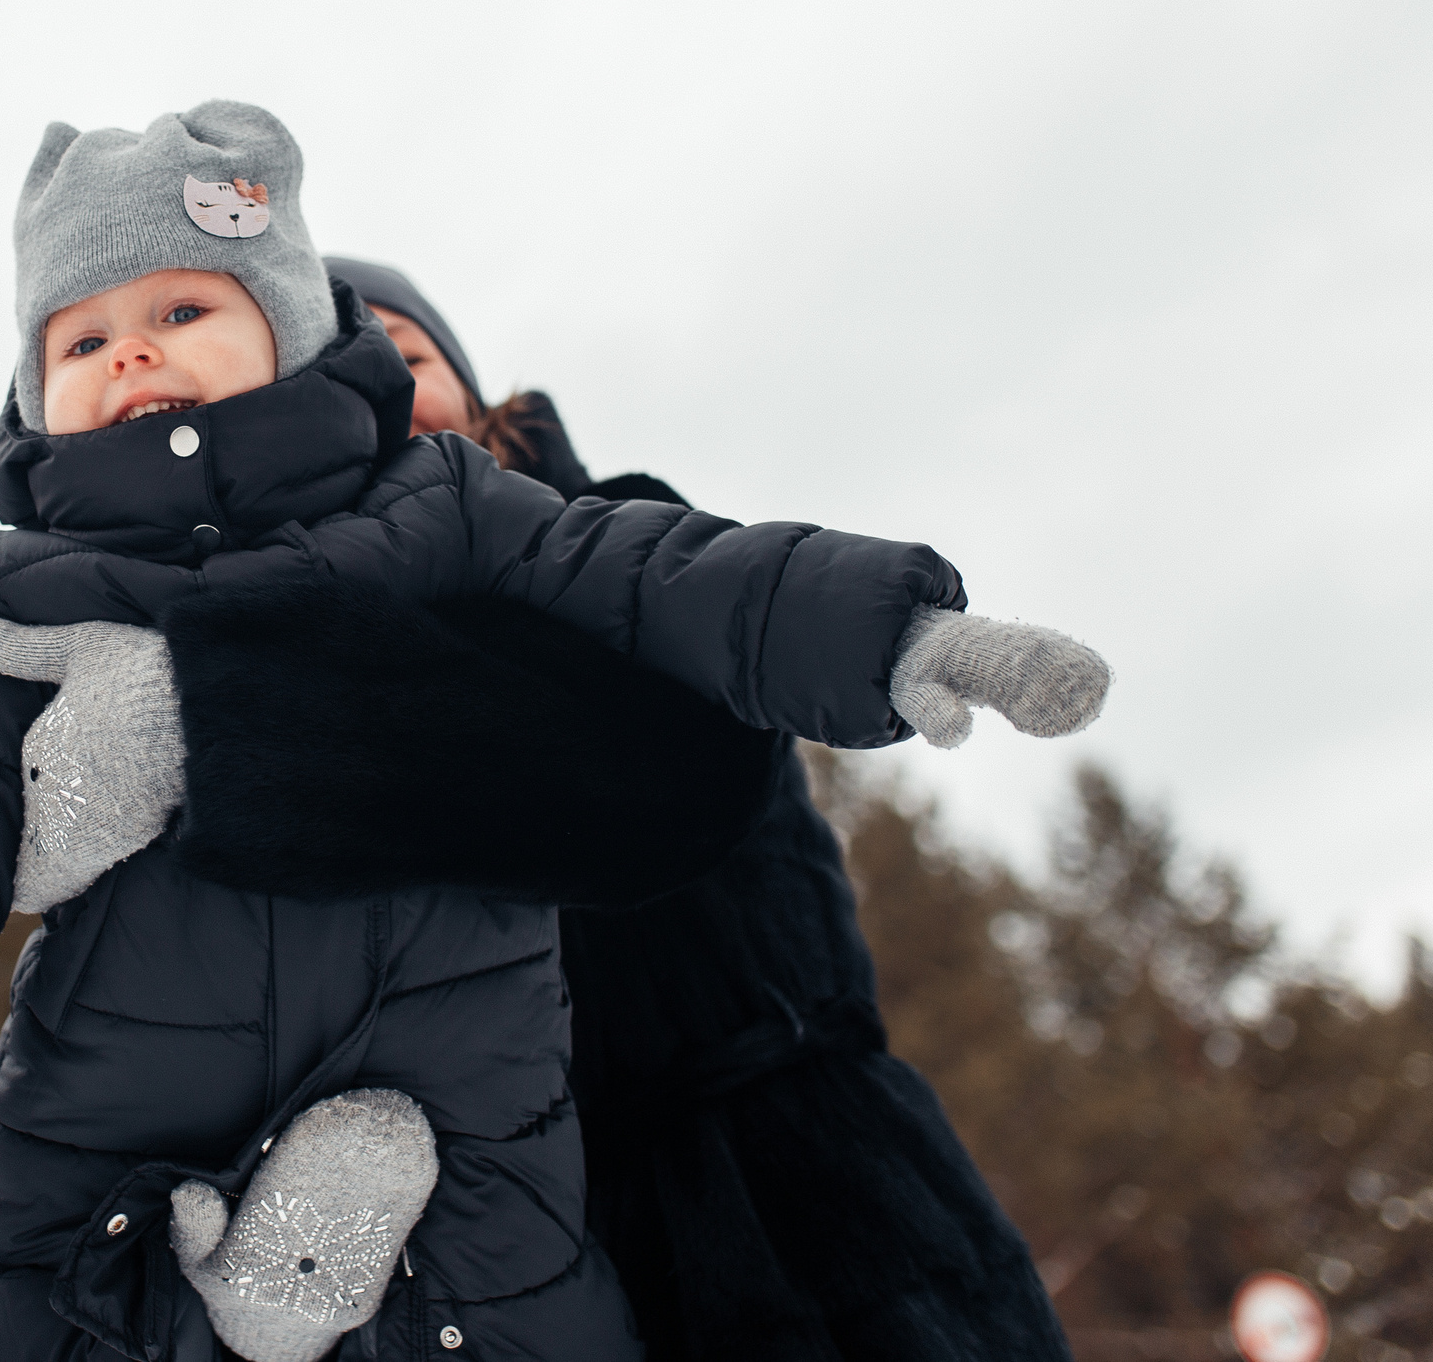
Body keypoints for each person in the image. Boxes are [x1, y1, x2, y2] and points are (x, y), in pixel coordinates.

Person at [0, 102, 1107, 1362]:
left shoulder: (521, 529)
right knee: (88, 1257)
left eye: (409, 348)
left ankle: (287, 1261)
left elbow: (685, 657)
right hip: (233, 1088)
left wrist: (900, 632)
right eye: (88, 336)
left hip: (751, 1173)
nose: (136, 358)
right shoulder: (34, 581)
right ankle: (265, 1272)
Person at [139, 258, 1081, 1359]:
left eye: (403, 353)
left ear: (476, 390)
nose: (377, 384)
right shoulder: (281, 623)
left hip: (794, 1180)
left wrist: (222, 712)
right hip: (502, 1231)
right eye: (334, 373)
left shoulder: (626, 536)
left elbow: (649, 791)